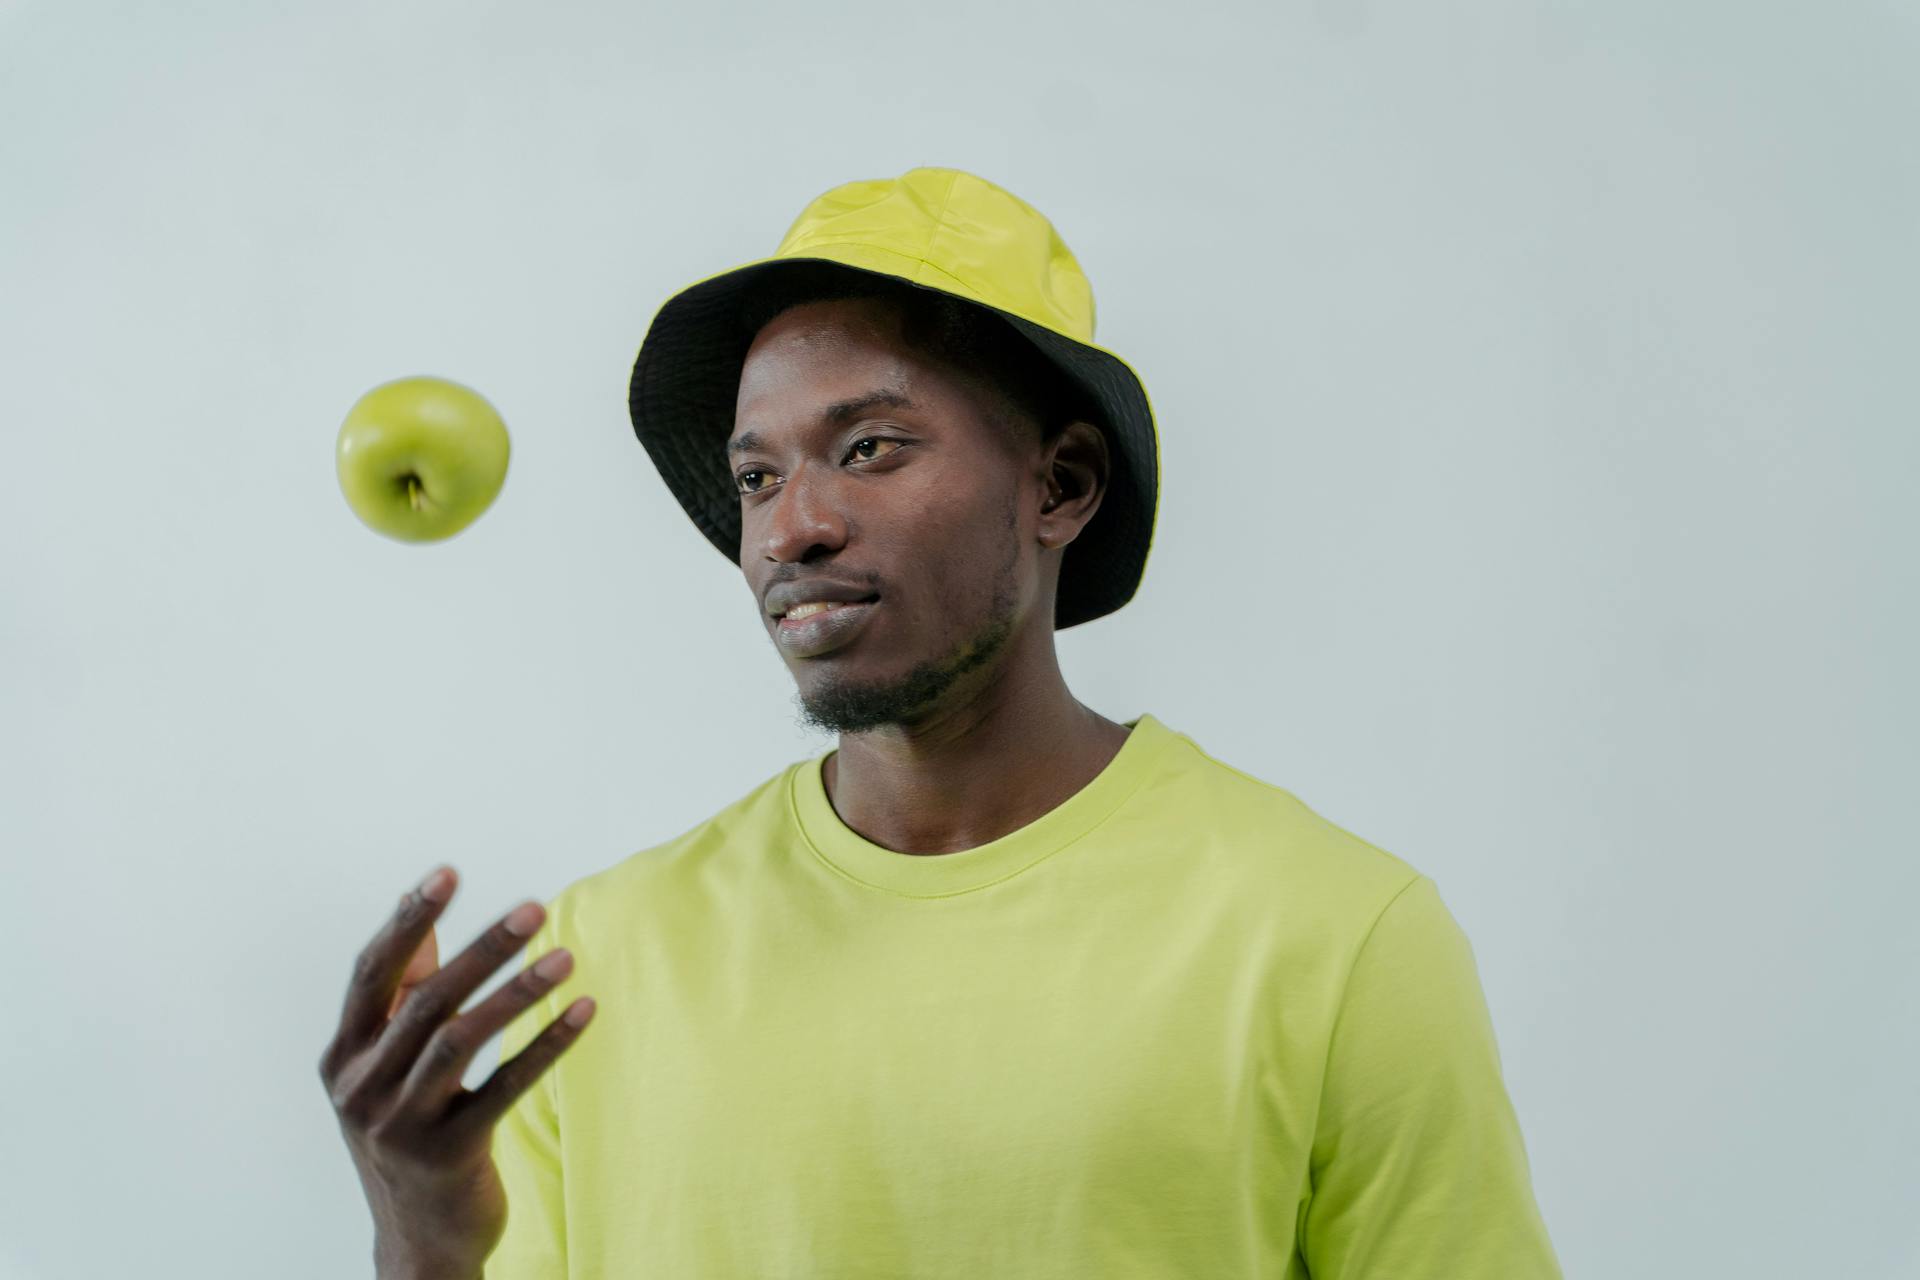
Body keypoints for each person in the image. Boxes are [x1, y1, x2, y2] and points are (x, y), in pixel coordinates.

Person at [321, 166, 1563, 1278]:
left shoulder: (1336, 936)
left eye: (868, 446)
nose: (789, 527)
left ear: (1061, 484)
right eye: (756, 476)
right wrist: (422, 1244)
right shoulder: (591, 967)